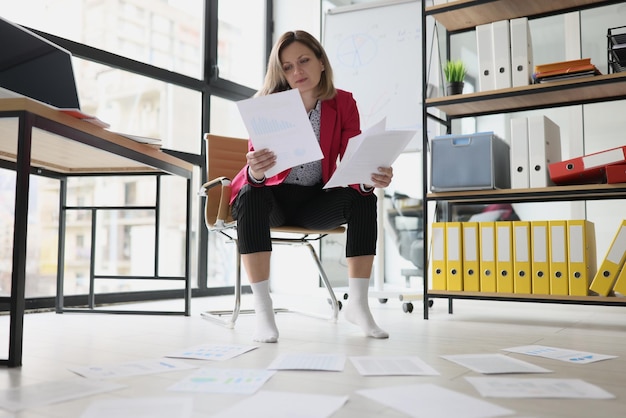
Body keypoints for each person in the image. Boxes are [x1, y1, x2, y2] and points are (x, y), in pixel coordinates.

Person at [229, 30, 393, 343]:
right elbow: (256, 169)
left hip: (314, 200)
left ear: (321, 61)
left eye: (303, 61)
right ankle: (264, 310)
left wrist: (369, 178)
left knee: (363, 198)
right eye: (287, 67)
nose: (297, 71)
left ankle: (357, 304)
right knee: (251, 193)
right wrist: (257, 170)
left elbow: (353, 160)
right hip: (270, 197)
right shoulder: (267, 105)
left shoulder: (343, 103)